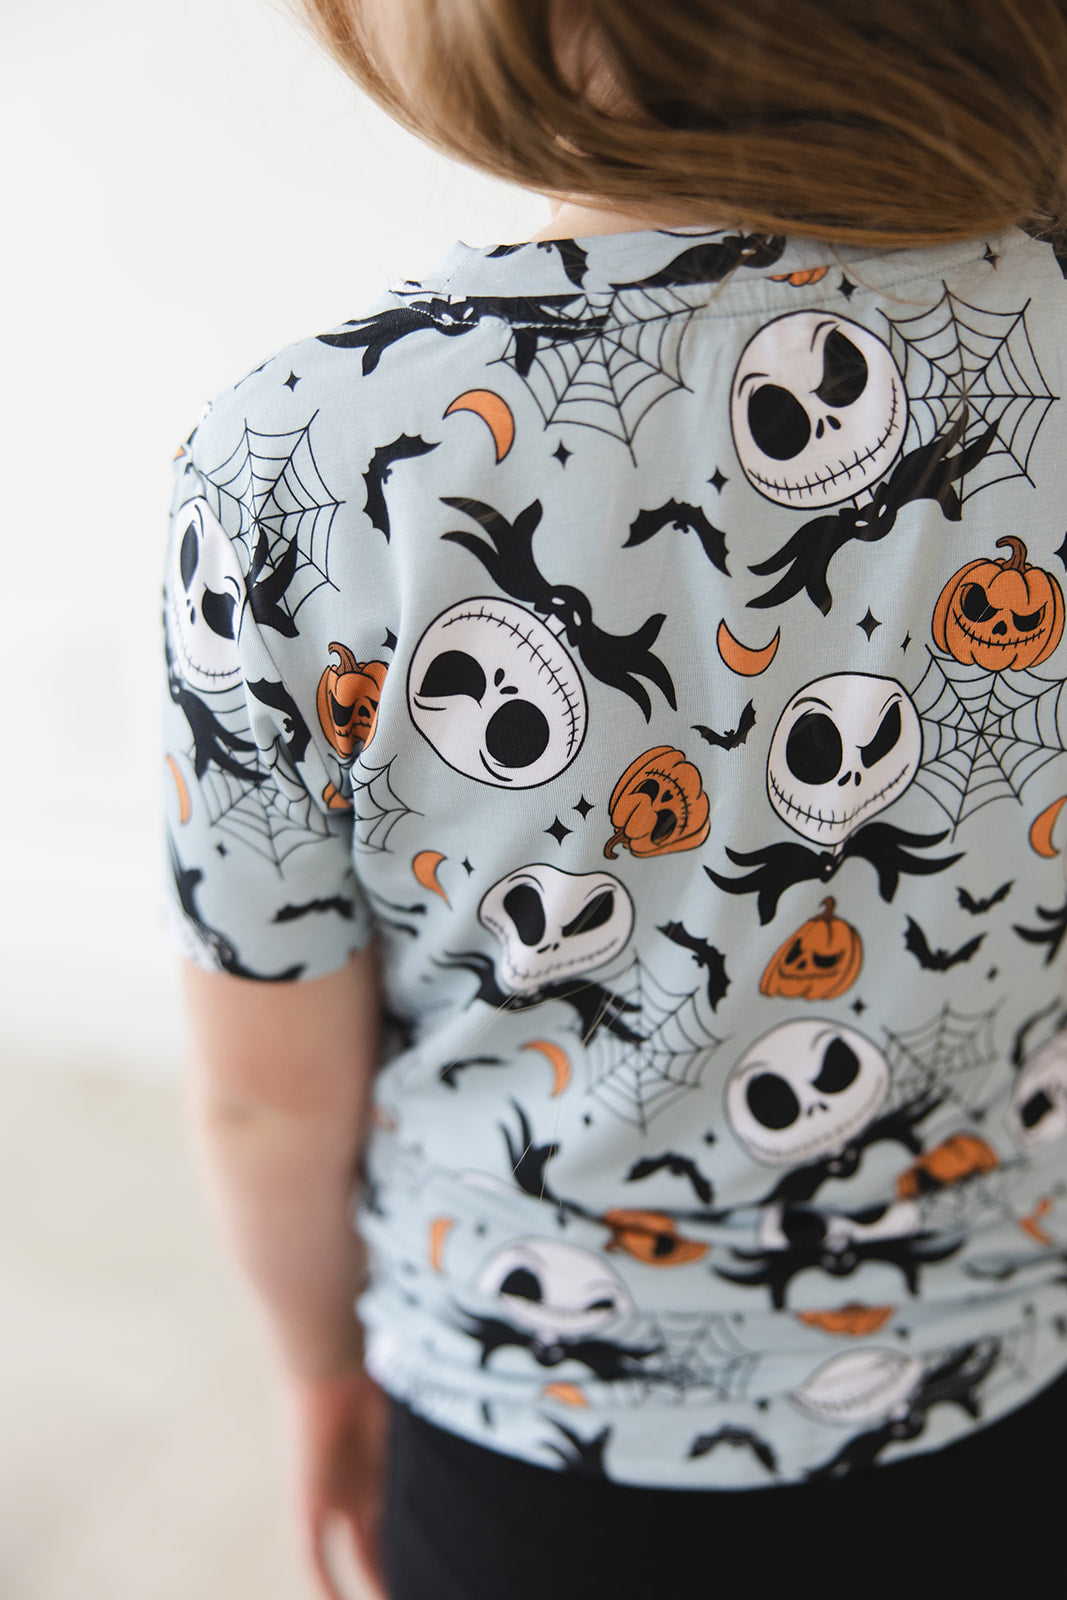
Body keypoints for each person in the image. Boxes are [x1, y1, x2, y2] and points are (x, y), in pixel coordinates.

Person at [163, 3, 1067, 1595]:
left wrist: (317, 1368)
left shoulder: (304, 459)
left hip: (527, 1427)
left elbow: (269, 1091)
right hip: (1010, 1382)